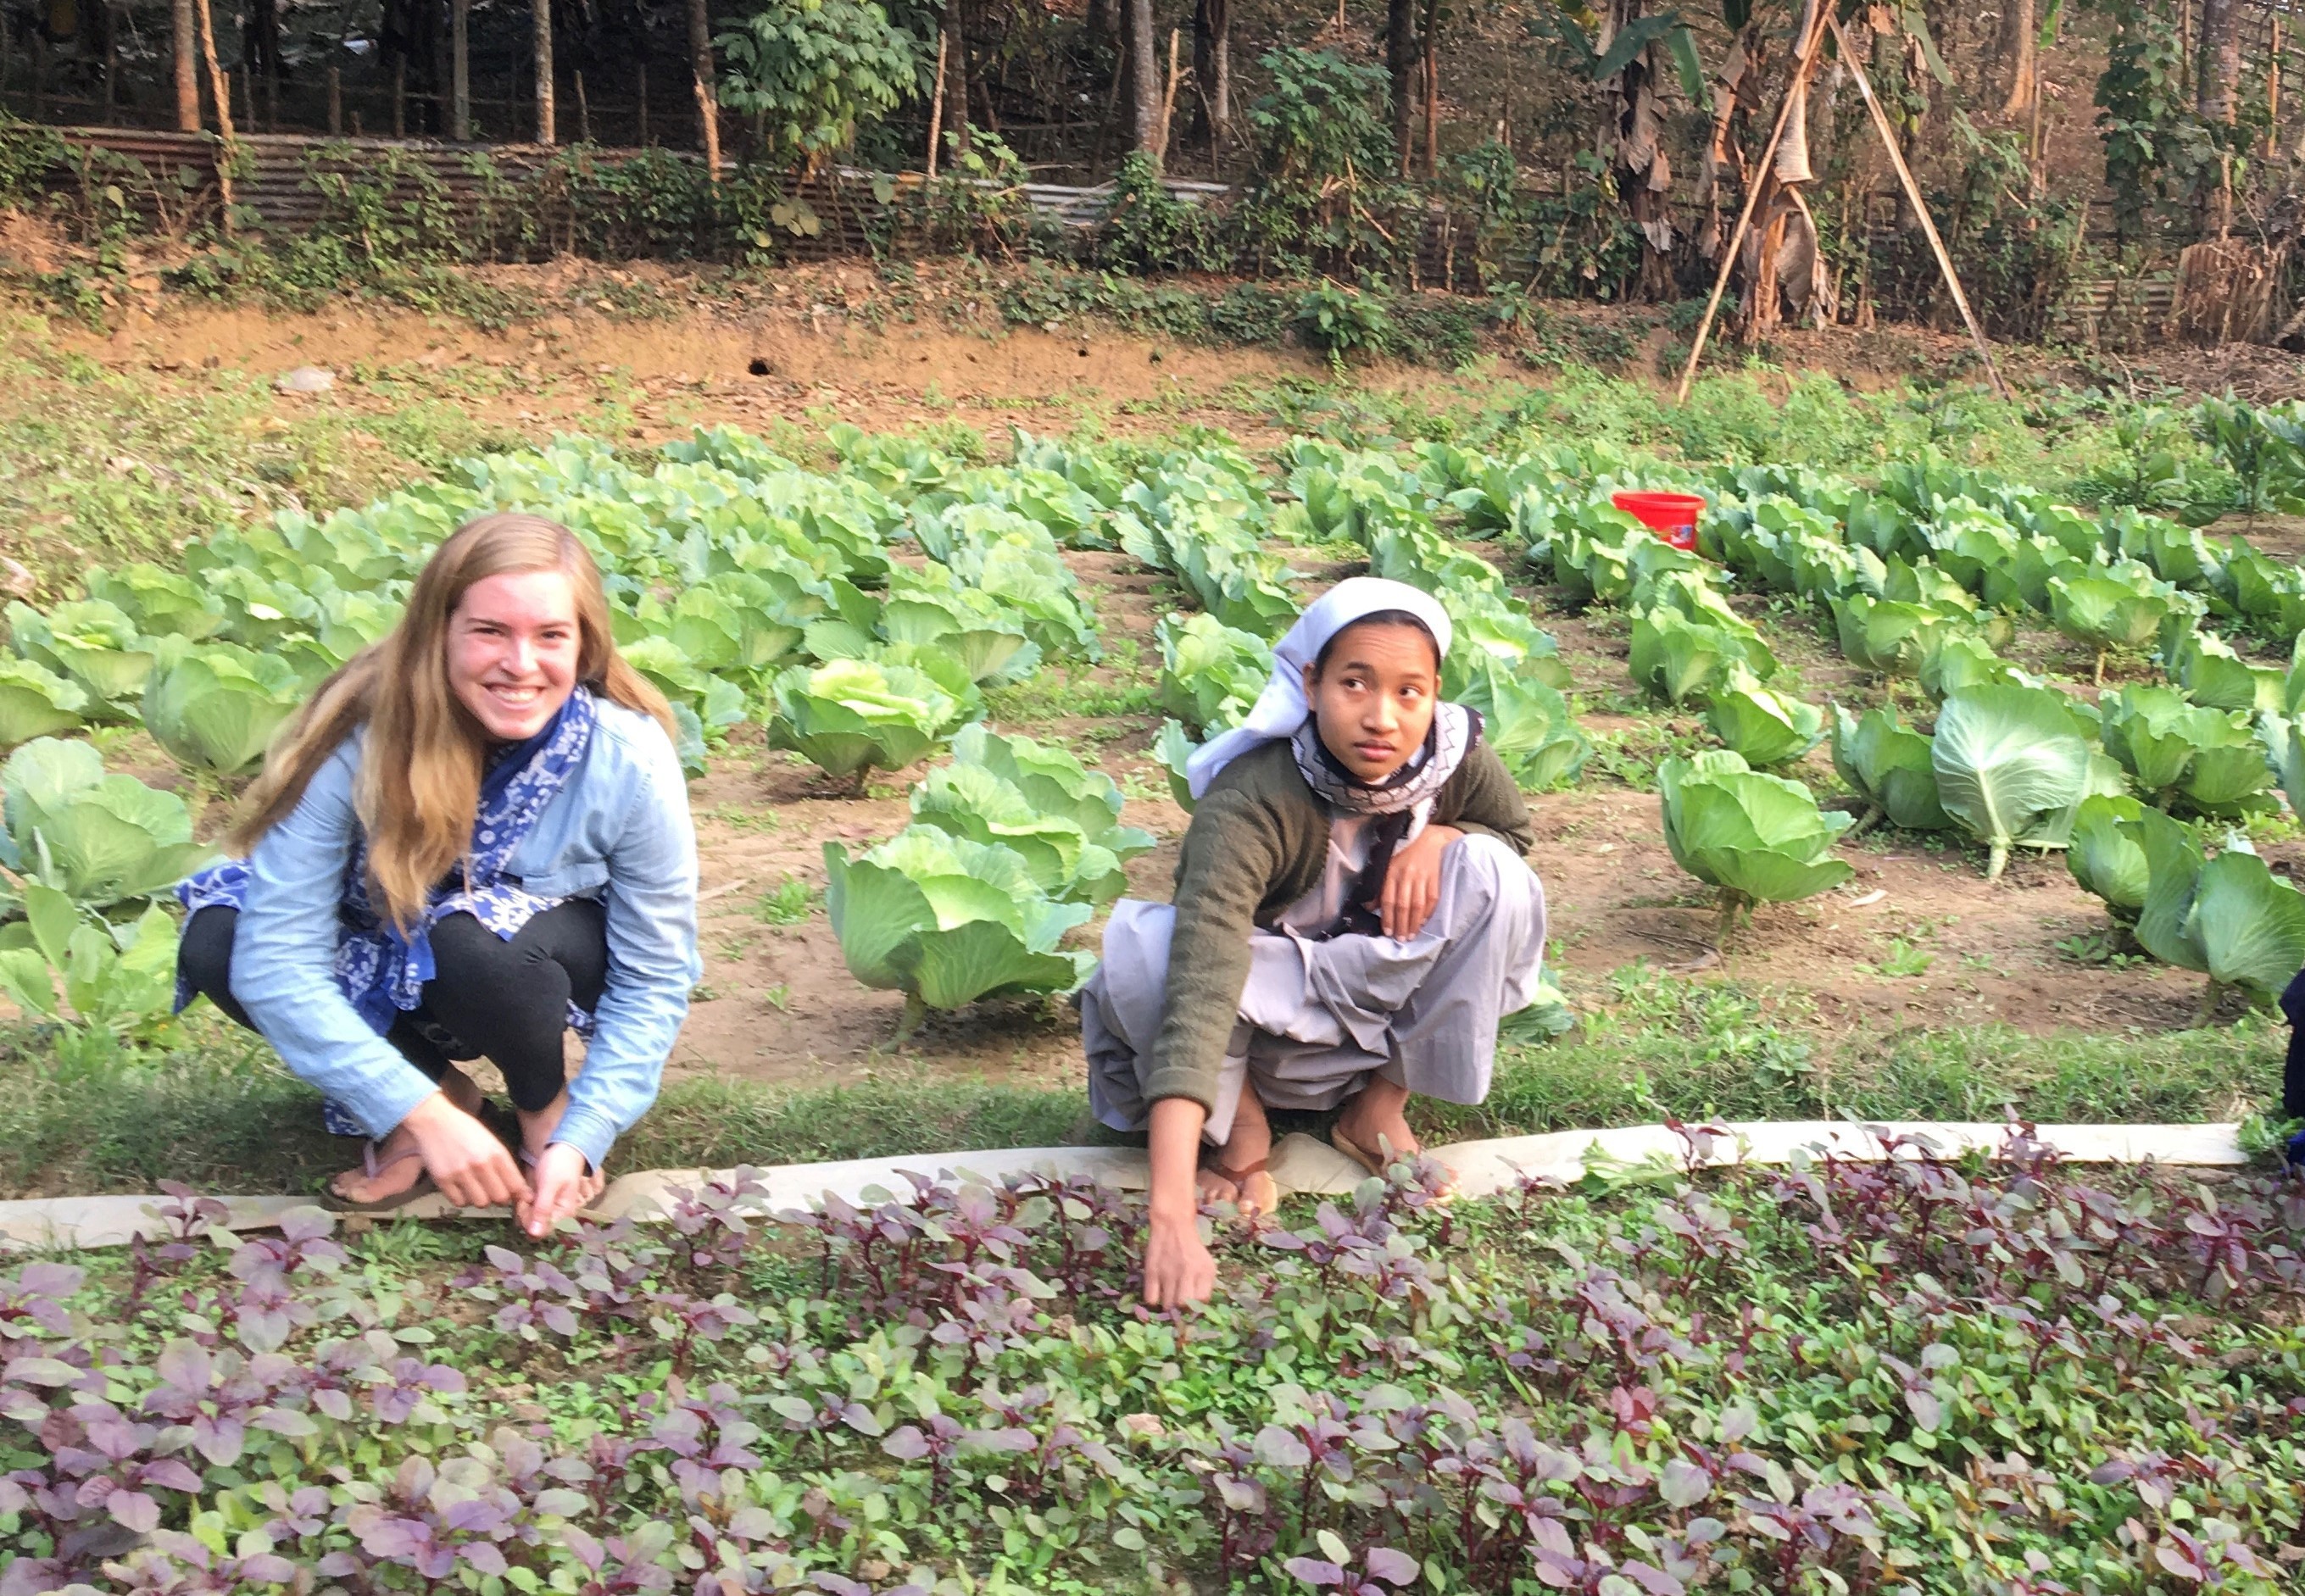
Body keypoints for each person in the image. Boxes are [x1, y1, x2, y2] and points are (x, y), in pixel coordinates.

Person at [175, 512, 699, 1237]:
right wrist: (415, 1108)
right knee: (220, 939)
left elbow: (654, 975)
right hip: (386, 928)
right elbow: (276, 961)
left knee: (474, 939)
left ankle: (545, 1115)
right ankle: (442, 1103)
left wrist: (589, 1128)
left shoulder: (628, 756)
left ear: (583, 647)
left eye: (550, 635)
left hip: (536, 955)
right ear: (438, 632)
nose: (520, 663)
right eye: (490, 631)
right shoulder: (357, 736)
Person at [1082, 577, 1547, 1306]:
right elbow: (1202, 985)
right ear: (1310, 682)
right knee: (1145, 953)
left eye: (1408, 692)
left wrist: (1451, 835)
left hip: (1375, 1009)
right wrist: (1168, 1217)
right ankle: (1242, 1136)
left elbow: (1512, 833)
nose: (1381, 718)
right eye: (1354, 683)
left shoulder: (1453, 757)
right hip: (1263, 1019)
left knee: (1496, 871)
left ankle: (1376, 1109)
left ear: (1434, 695)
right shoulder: (1252, 797)